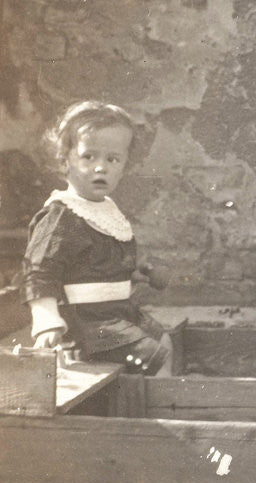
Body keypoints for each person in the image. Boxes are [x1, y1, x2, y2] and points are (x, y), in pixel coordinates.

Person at [22, 101, 173, 375]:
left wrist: (141, 272)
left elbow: (104, 261)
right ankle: (158, 411)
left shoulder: (105, 211)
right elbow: (39, 271)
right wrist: (47, 319)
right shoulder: (62, 215)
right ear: (66, 159)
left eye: (112, 159)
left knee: (164, 339)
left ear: (123, 166)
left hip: (115, 313)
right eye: (88, 157)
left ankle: (160, 403)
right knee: (155, 356)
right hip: (85, 323)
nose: (100, 167)